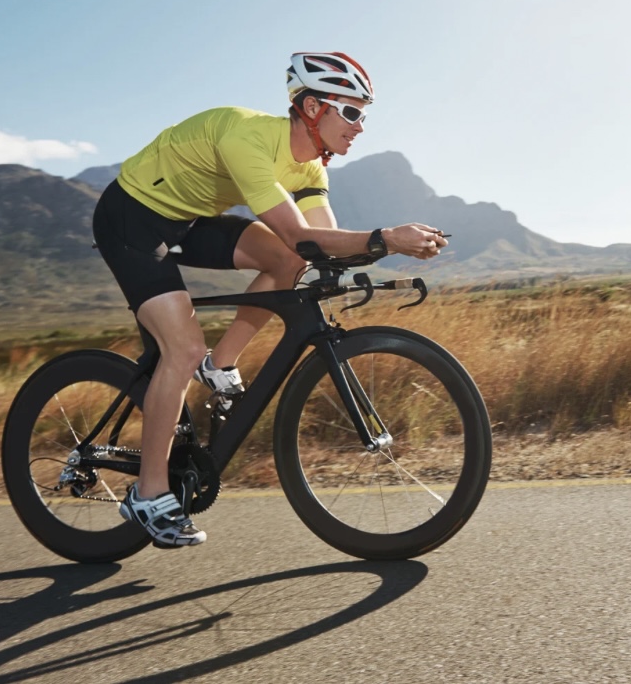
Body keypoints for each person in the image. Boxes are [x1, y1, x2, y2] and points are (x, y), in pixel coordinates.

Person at [92, 52, 448, 548]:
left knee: (286, 262)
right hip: (132, 217)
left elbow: (319, 246)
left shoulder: (312, 171)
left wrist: (380, 256)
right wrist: (387, 237)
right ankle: (149, 494)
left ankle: (221, 364)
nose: (360, 126)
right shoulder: (247, 138)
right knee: (182, 349)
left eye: (363, 114)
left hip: (190, 219)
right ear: (309, 107)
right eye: (350, 112)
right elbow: (302, 234)